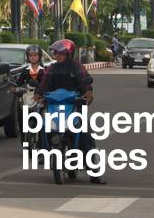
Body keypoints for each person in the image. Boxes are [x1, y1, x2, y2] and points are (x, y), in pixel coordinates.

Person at [37, 39, 105, 184]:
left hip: (74, 106)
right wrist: (39, 94)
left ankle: (94, 174)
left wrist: (87, 91)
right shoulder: (52, 69)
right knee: (42, 126)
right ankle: (42, 153)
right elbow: (45, 84)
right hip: (55, 107)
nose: (57, 56)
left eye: (60, 54)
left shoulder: (76, 67)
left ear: (68, 54)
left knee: (86, 136)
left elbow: (85, 80)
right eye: (56, 53)